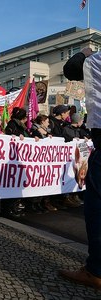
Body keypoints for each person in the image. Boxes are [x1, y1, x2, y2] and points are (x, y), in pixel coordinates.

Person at [59, 48, 101, 290]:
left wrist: (85, 51)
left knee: (96, 205)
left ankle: (96, 270)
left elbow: (71, 69)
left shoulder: (95, 59)